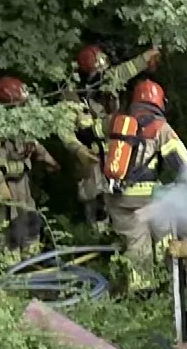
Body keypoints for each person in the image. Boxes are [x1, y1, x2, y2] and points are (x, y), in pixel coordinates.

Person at [100, 77, 187, 293]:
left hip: (117, 196)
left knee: (136, 243)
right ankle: (171, 283)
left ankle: (142, 291)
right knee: (164, 233)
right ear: (159, 102)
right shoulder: (160, 127)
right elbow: (182, 164)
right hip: (148, 195)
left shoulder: (117, 122)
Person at [64, 43, 161, 227]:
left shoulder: (108, 81)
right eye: (97, 76)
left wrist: (146, 57)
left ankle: (119, 234)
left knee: (119, 197)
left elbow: (126, 70)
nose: (103, 79)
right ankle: (98, 237)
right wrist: (78, 150)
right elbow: (65, 131)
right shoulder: (72, 98)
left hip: (114, 151)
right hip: (90, 155)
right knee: (96, 202)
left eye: (104, 73)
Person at [0, 76, 59, 257]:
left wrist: (48, 159)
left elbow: (34, 144)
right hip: (6, 183)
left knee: (30, 217)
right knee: (8, 224)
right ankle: (10, 264)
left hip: (22, 181)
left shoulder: (22, 121)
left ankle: (32, 258)